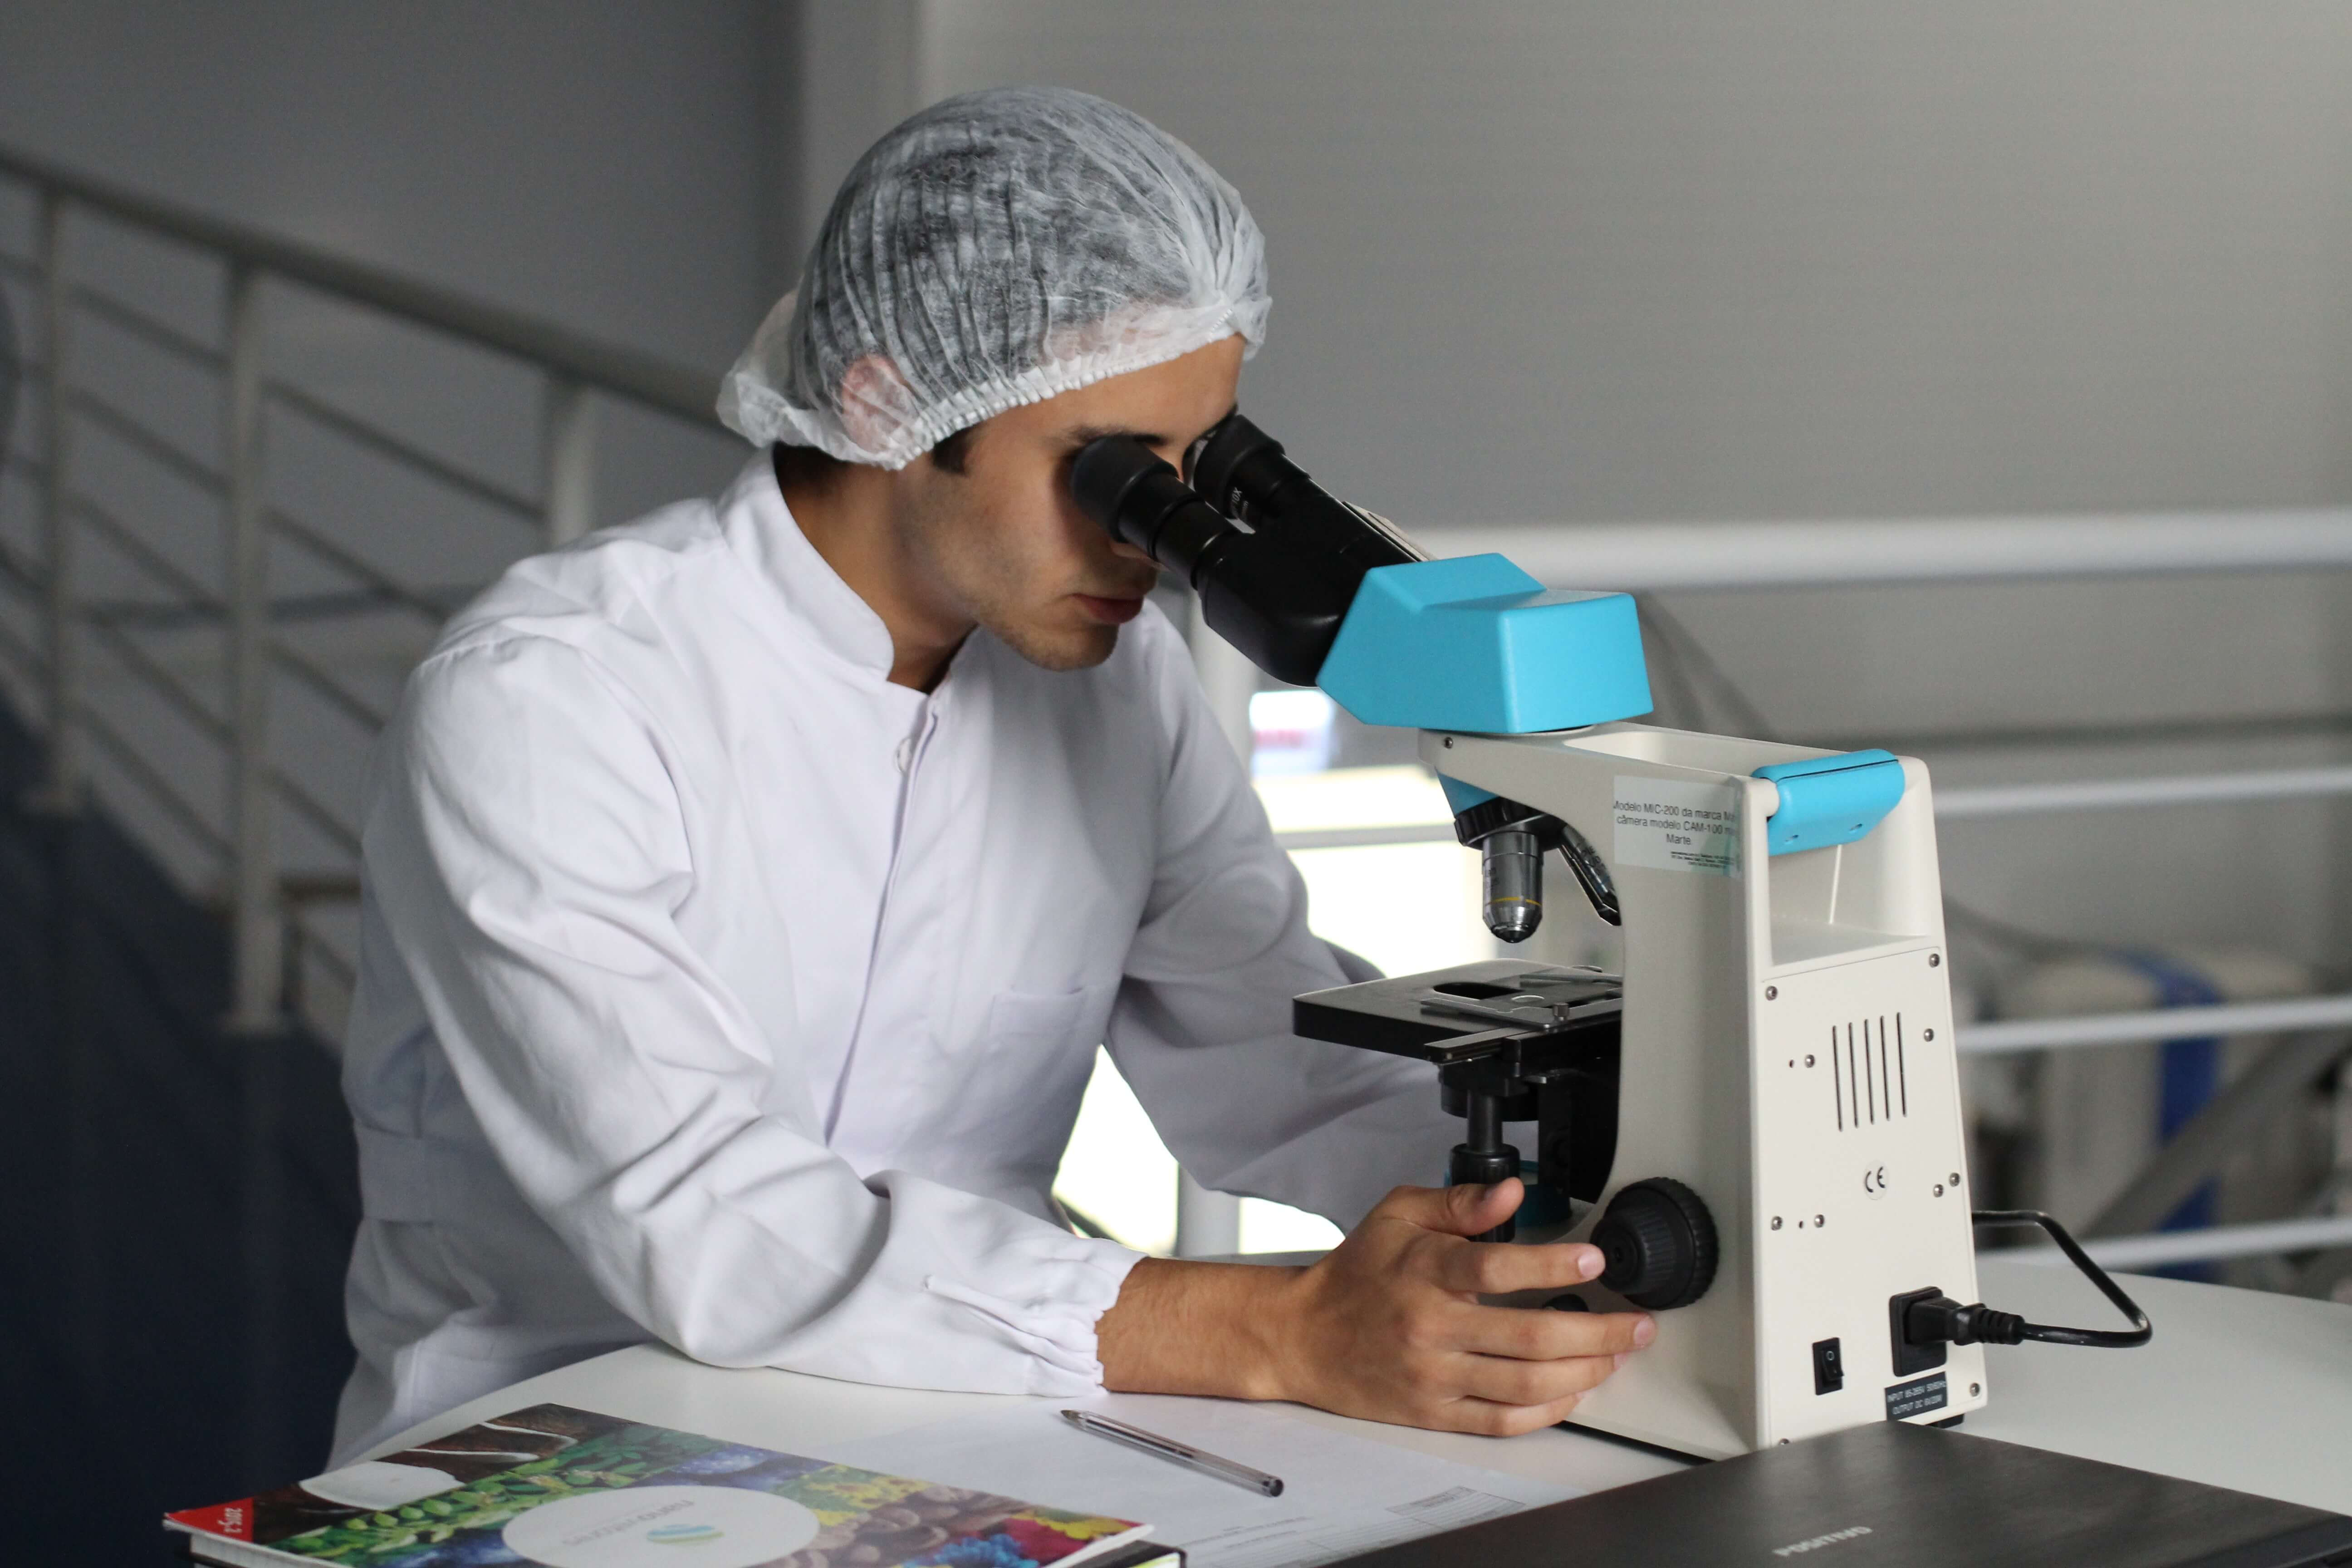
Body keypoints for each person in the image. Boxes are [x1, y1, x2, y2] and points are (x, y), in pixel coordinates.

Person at [330, 86, 1650, 1466]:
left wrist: (1553, 1217)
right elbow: (708, 1220)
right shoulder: (557, 700)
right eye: (1117, 477)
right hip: (563, 1439)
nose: (1159, 541)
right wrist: (1284, 1330)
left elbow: (1280, 1063)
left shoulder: (1113, 687)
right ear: (889, 399)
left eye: (1201, 466)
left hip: (972, 1427)